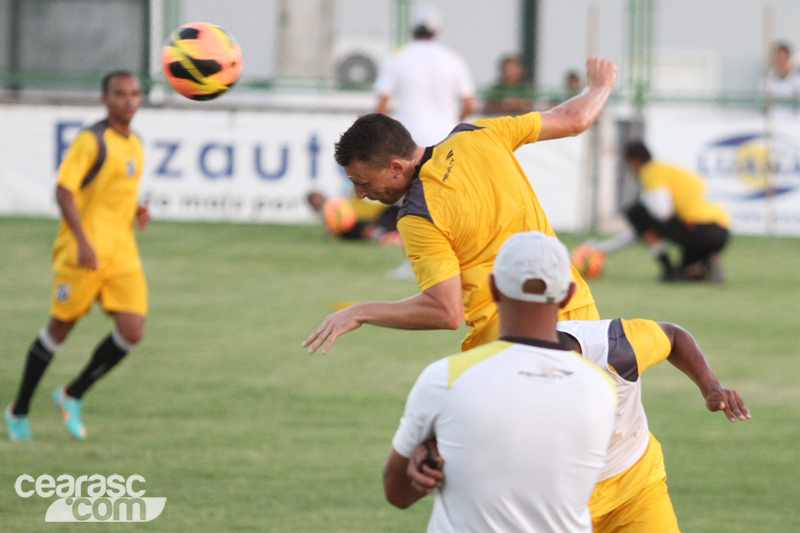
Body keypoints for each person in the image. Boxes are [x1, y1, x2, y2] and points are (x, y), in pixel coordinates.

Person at [303, 57, 617, 355]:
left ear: (396, 167)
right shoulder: (479, 135)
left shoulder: (418, 214)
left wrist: (362, 311)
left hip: (511, 343)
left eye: (363, 182)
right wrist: (599, 88)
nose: (359, 194)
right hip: (580, 322)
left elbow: (446, 311)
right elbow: (573, 120)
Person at [409, 315, 750, 533]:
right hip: (557, 504)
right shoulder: (507, 379)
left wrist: (711, 387)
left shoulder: (616, 347)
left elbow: (673, 336)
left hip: (635, 487)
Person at [383, 231, 617, 532]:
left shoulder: (446, 378)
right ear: (569, 294)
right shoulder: (600, 388)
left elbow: (397, 493)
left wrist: (429, 460)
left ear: (493, 288)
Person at [5, 71, 148, 441]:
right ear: (105, 99)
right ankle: (18, 409)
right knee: (61, 328)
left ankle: (73, 393)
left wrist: (136, 212)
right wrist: (83, 240)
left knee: (132, 331)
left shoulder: (135, 144)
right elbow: (65, 192)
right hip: (83, 252)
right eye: (120, 94)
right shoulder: (91, 140)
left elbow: (112, 195)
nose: (128, 101)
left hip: (122, 253)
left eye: (134, 94)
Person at [622, 141, 730, 282]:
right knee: (685, 272)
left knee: (636, 213)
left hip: (698, 229)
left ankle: (668, 269)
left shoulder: (649, 172)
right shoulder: (667, 169)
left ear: (635, 161)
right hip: (721, 233)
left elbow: (663, 212)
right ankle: (704, 263)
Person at [374, 5, 476, 146]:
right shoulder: (452, 59)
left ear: (411, 29)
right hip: (446, 135)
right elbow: (469, 103)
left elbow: (382, 105)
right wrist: (452, 121)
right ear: (437, 30)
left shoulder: (397, 57)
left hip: (408, 136)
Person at [306, 191, 402, 246]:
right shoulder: (334, 213)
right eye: (315, 201)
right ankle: (384, 236)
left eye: (319, 198)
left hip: (379, 217)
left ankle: (386, 236)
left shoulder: (344, 201)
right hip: (362, 224)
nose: (319, 201)